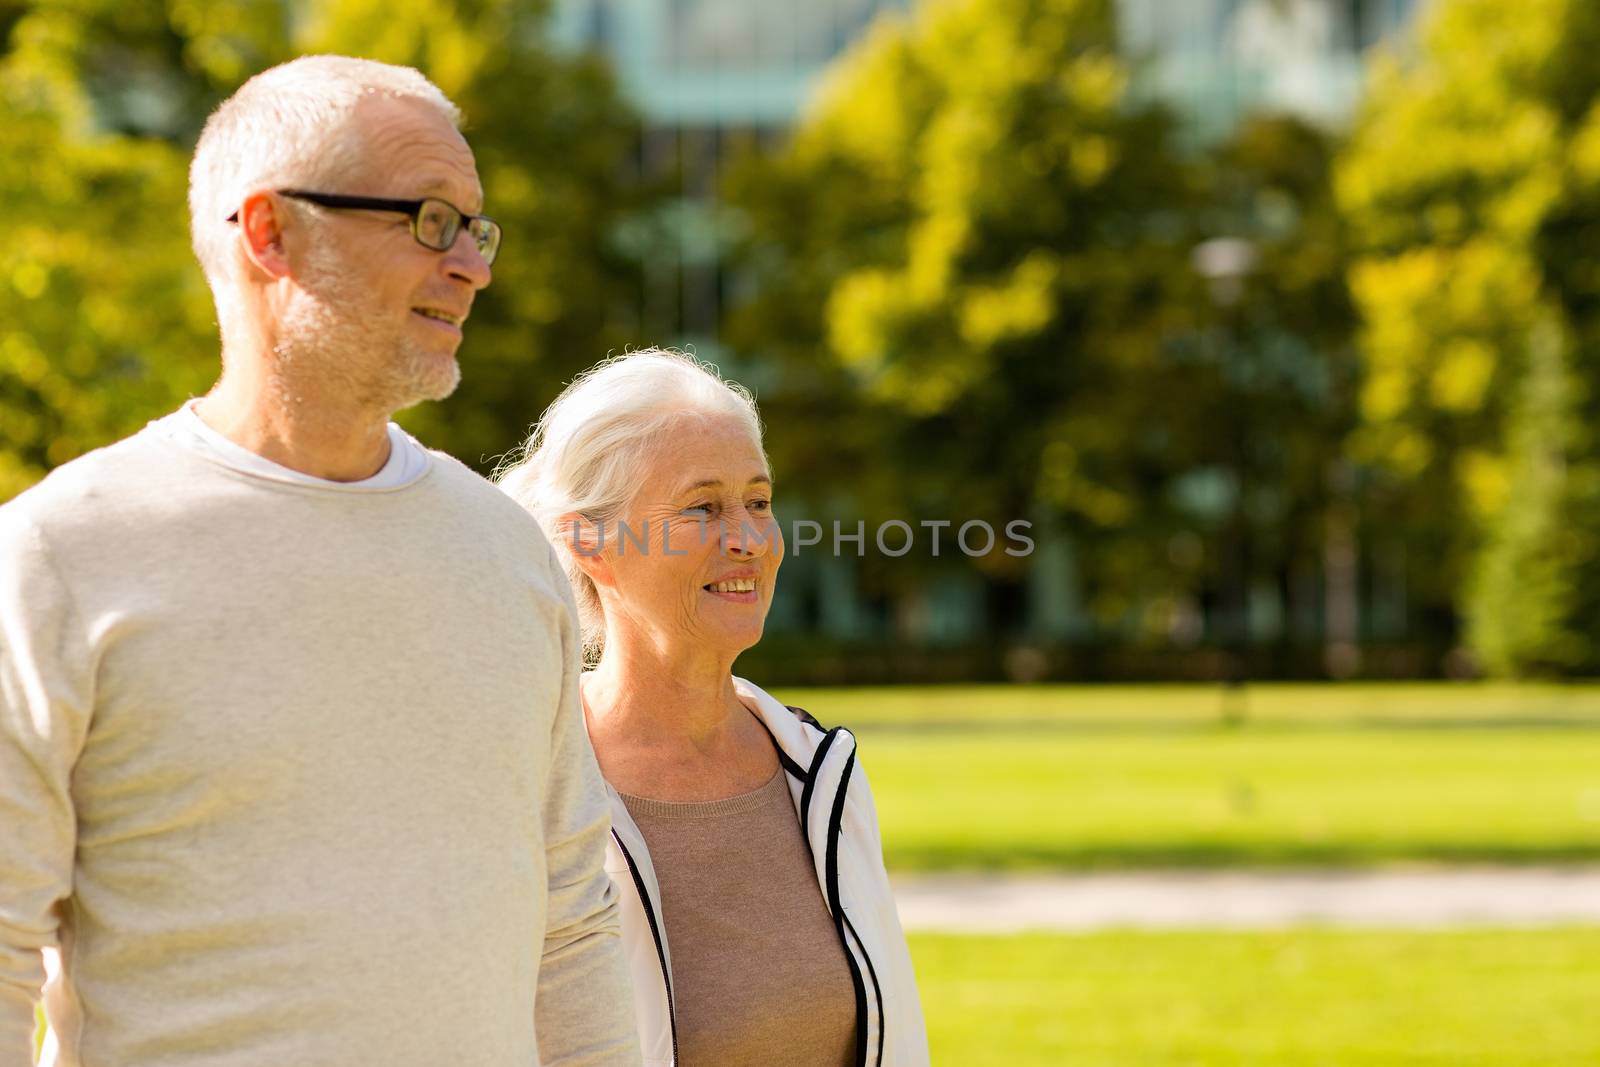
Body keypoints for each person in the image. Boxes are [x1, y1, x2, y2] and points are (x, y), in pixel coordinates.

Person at [0, 56, 639, 1066]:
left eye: (477, 228)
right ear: (270, 233)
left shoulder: (505, 552)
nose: (471, 263)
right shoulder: (60, 553)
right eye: (431, 219)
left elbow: (570, 923)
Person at [496, 349, 929, 1067]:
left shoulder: (822, 771)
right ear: (590, 543)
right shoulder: (530, 786)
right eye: (704, 507)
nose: (750, 540)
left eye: (758, 501)